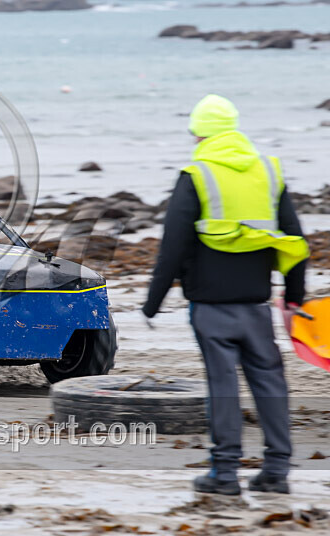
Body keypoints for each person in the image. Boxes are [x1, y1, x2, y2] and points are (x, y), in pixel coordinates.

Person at [142, 95, 310, 495]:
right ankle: (277, 471)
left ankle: (225, 473)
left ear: (199, 133)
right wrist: (294, 298)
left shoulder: (197, 174)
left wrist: (153, 303)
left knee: (222, 386)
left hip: (211, 307)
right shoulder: (268, 171)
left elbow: (173, 246)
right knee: (270, 382)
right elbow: (295, 239)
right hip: (256, 305)